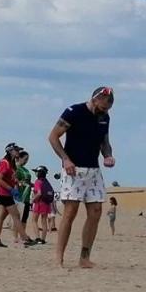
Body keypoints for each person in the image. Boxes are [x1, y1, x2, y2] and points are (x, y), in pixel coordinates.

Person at [48, 87, 115, 269]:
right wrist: (65, 159)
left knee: (95, 212)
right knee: (70, 212)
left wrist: (107, 155)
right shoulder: (74, 112)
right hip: (73, 170)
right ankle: (58, 258)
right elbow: (53, 137)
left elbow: (104, 142)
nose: (103, 112)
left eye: (107, 110)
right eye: (101, 108)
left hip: (93, 170)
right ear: (94, 100)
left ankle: (84, 257)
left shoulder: (104, 118)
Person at [0, 144, 23, 249]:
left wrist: (16, 184)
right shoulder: (5, 163)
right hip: (4, 193)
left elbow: (11, 178)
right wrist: (11, 189)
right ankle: (25, 238)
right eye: (16, 150)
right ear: (10, 151)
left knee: (1, 218)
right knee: (16, 215)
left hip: (7, 193)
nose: (18, 152)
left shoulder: (12, 164)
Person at [30, 166, 55, 244]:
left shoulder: (38, 181)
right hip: (47, 203)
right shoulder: (46, 182)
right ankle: (43, 239)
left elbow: (39, 193)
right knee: (44, 221)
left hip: (39, 203)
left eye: (36, 172)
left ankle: (37, 238)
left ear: (38, 173)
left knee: (34, 220)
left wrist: (32, 200)